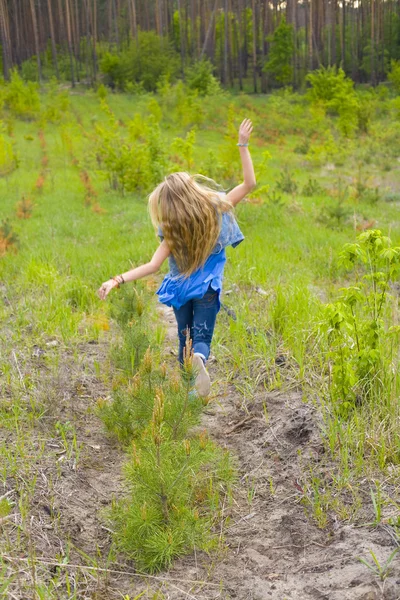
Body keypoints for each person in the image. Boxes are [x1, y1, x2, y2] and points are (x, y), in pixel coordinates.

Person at [98, 118, 256, 397]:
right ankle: (201, 363)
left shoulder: (172, 234)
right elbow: (249, 183)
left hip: (181, 291)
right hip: (207, 288)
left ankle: (188, 394)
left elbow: (152, 266)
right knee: (202, 340)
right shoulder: (214, 212)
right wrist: (242, 144)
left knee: (184, 337)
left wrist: (117, 280)